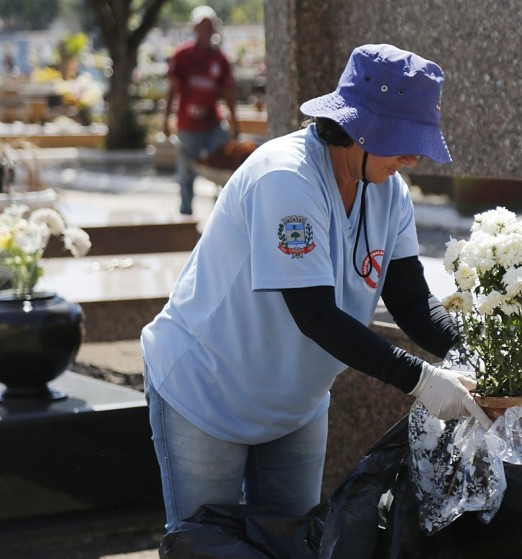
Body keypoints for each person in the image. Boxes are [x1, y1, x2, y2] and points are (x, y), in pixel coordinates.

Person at [141, 43, 491, 532]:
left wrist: (483, 358)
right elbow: (315, 316)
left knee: (297, 543)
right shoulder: (286, 178)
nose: (413, 157)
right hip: (207, 392)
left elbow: (412, 302)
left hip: (295, 404)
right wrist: (425, 383)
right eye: (405, 139)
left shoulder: (388, 192)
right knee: (206, 545)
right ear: (361, 128)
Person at [163, 5, 240, 216]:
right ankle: (186, 213)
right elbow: (172, 90)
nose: (205, 31)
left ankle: (224, 212)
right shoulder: (182, 56)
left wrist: (234, 122)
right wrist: (166, 120)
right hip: (189, 123)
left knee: (223, 163)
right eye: (201, 27)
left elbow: (228, 92)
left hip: (213, 122)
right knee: (187, 168)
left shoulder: (220, 59)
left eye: (209, 27)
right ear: (194, 28)